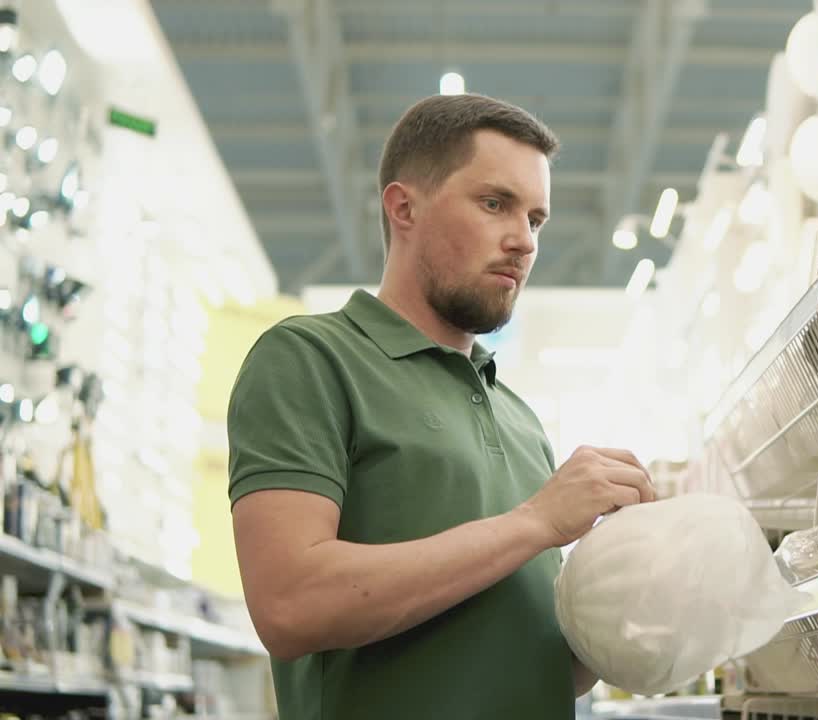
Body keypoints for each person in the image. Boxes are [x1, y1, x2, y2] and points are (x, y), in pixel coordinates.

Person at [226, 94, 657, 719]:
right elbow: (290, 604)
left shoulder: (520, 420)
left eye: (536, 220)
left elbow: (545, 668)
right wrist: (536, 521)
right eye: (494, 204)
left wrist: (636, 592)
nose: (523, 241)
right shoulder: (309, 360)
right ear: (404, 207)